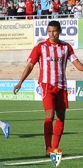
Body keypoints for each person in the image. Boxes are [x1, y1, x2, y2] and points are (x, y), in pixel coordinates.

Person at [13, 20, 83, 157]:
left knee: (61, 117)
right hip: (46, 86)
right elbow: (30, 66)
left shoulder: (66, 47)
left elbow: (79, 66)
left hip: (61, 86)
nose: (52, 34)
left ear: (59, 31)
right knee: (50, 115)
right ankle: (48, 148)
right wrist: (20, 82)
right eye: (49, 31)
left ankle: (55, 148)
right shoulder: (40, 47)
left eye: (54, 31)